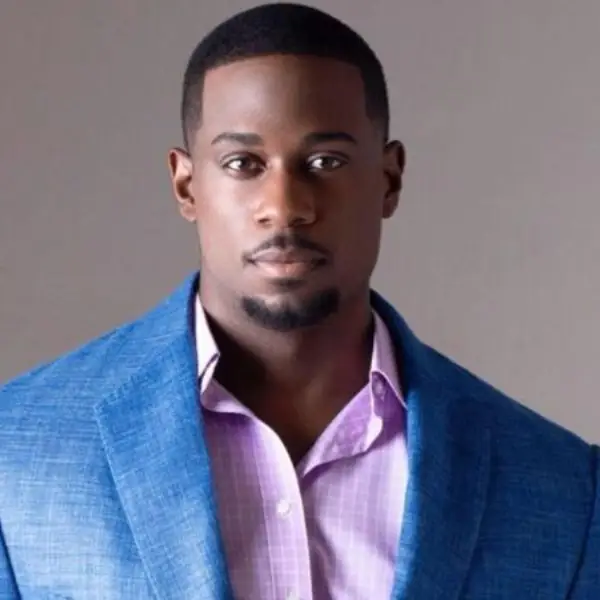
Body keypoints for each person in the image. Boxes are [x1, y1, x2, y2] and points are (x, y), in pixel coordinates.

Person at [0, 3, 598, 599]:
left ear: (389, 179)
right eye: (243, 164)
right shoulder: (15, 453)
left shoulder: (566, 492)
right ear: (186, 185)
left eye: (325, 161)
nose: (285, 207)